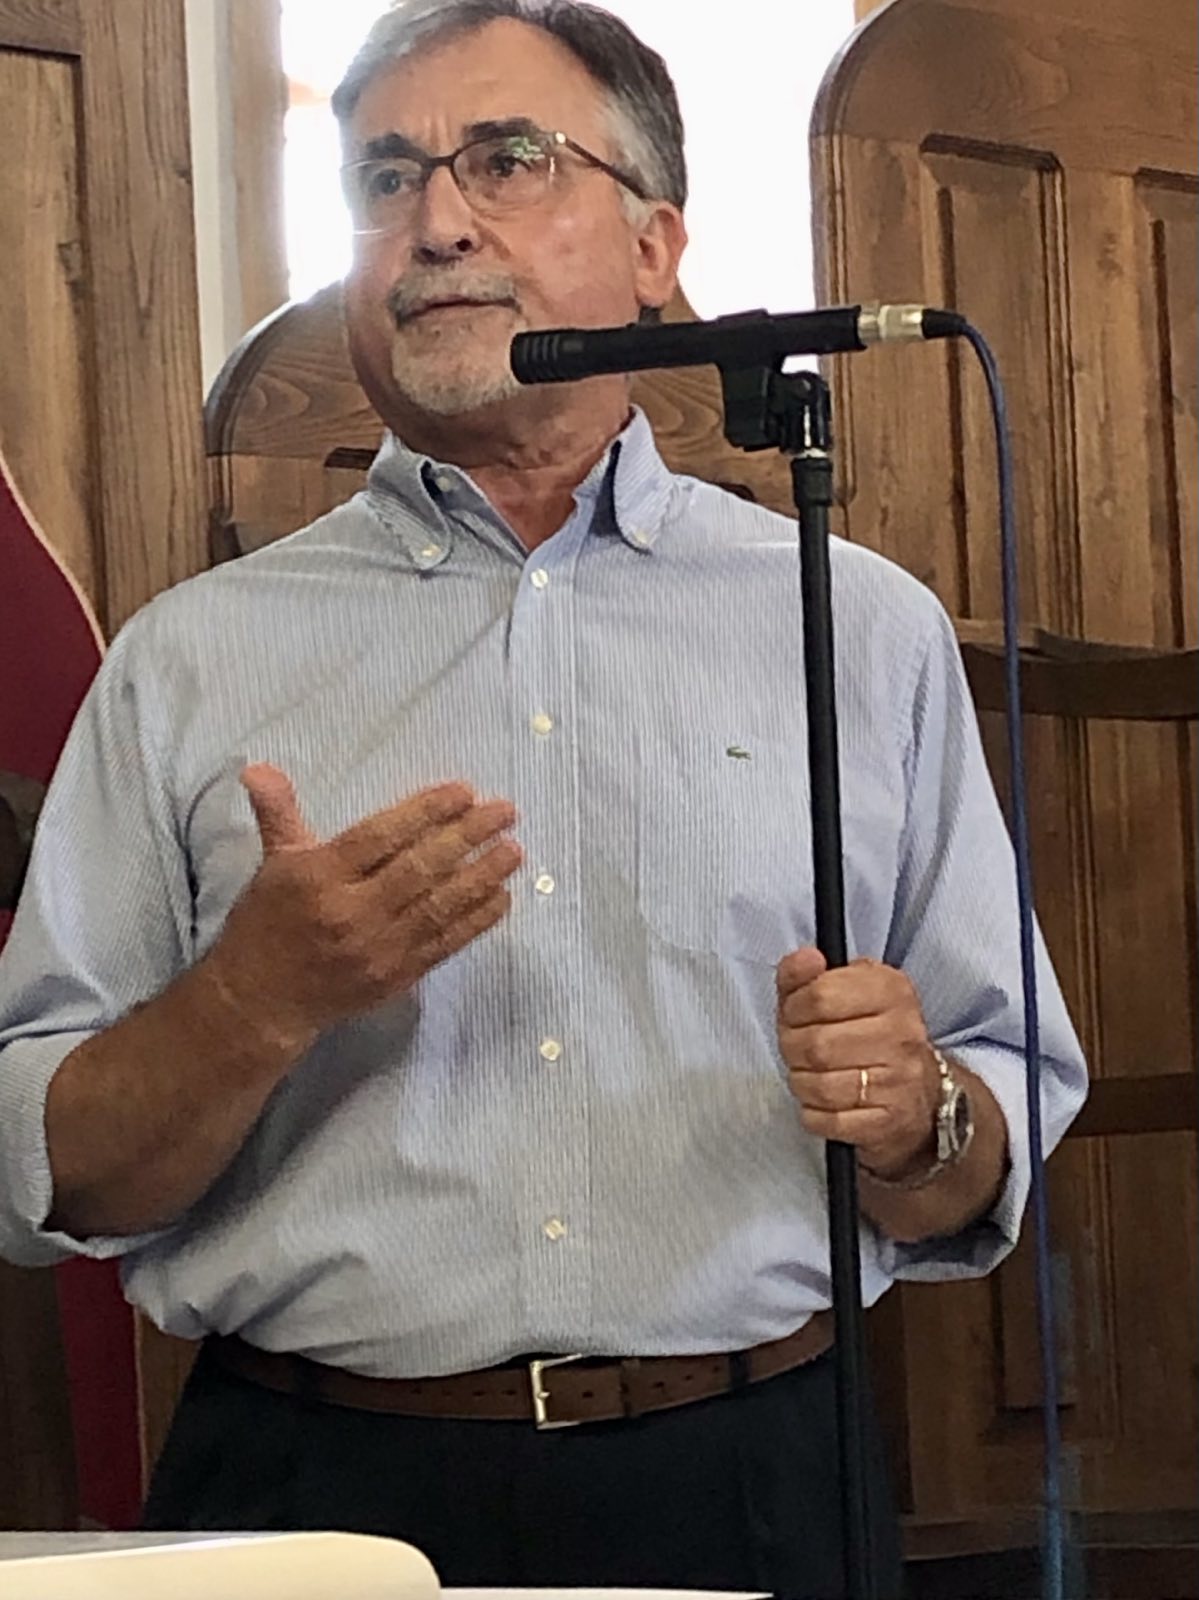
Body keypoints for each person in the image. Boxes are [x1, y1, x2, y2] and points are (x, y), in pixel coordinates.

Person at [0, 1, 1087, 1593]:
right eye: (386, 177)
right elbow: (41, 1175)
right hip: (310, 1487)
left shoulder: (857, 626)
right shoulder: (186, 661)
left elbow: (988, 1122)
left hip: (756, 1479)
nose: (436, 221)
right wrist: (251, 1003)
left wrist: (918, 1115)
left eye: (508, 160)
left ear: (655, 248)